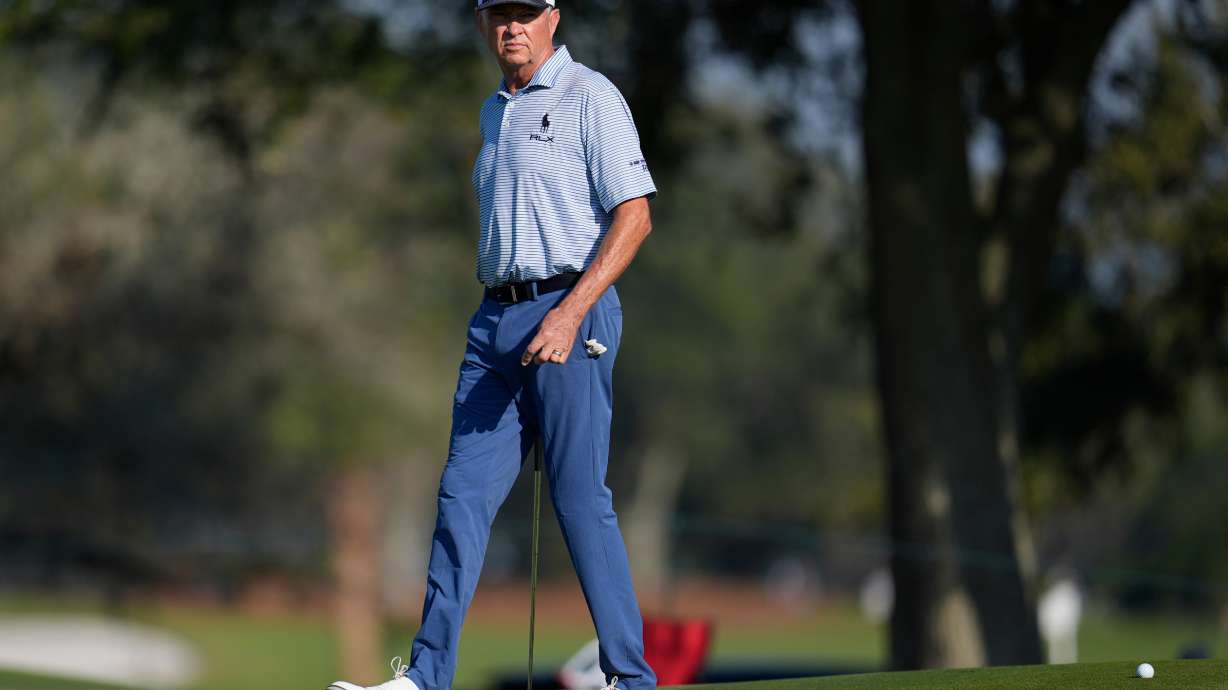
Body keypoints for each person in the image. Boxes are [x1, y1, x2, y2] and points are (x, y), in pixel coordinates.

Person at [328, 0, 658, 688]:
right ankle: (426, 676)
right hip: (494, 325)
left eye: (525, 13)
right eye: (498, 14)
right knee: (460, 497)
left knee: (577, 497)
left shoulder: (589, 95)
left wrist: (570, 315)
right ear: (482, 24)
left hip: (573, 310)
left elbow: (635, 216)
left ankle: (630, 679)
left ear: (553, 18)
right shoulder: (494, 111)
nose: (512, 26)